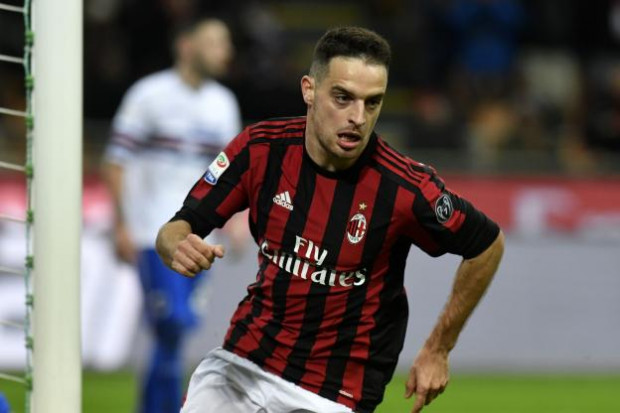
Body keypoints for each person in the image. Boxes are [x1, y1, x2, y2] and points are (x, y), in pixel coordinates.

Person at [156, 27, 504, 413]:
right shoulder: (261, 149)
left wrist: (439, 348)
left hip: (333, 393)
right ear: (309, 90)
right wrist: (177, 246)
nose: (358, 117)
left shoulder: (404, 187)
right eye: (343, 98)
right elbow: (177, 227)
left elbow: (487, 244)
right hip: (243, 363)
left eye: (373, 103)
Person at [102, 18, 243, 413]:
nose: (225, 51)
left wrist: (234, 222)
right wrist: (121, 225)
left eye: (225, 43)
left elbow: (232, 174)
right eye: (214, 42)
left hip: (202, 237)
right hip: (153, 233)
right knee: (174, 323)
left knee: (177, 333)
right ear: (186, 46)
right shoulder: (148, 95)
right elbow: (115, 162)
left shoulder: (223, 103)